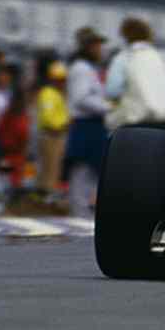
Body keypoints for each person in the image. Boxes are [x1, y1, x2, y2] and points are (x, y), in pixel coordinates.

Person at [66, 28, 110, 215]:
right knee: (82, 172)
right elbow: (81, 98)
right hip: (86, 124)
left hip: (92, 124)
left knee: (91, 172)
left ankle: (84, 211)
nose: (101, 49)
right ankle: (80, 212)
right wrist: (107, 107)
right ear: (89, 47)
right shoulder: (82, 69)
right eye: (97, 45)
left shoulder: (88, 69)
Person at [105, 17, 165, 129]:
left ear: (126, 35)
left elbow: (112, 91)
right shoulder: (164, 57)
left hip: (133, 123)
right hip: (164, 122)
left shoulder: (123, 57)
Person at [35, 61, 69, 199]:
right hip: (52, 134)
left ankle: (46, 194)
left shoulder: (55, 93)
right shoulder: (48, 93)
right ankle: (45, 195)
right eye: (60, 79)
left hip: (56, 134)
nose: (62, 82)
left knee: (53, 167)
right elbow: (47, 117)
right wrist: (63, 123)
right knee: (50, 167)